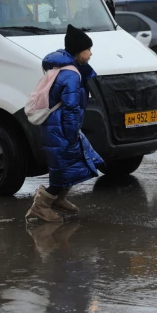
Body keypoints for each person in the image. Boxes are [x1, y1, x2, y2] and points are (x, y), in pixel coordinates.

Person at [25, 24, 104, 223]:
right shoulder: (71, 75)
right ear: (78, 51)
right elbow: (70, 107)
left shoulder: (69, 69)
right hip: (61, 128)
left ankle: (58, 199)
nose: (91, 54)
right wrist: (70, 134)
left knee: (73, 163)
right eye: (88, 50)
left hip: (59, 127)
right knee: (62, 169)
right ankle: (41, 206)